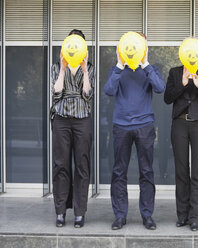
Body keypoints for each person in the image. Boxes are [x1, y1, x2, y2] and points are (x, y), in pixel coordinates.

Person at [104, 32, 165, 230]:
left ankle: (147, 215)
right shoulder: (117, 70)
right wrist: (119, 64)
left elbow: (160, 88)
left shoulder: (150, 69)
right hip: (121, 126)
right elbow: (108, 91)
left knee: (146, 172)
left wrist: (146, 64)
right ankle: (120, 215)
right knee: (119, 172)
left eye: (140, 45)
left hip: (144, 126)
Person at [164, 64, 198, 231]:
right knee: (181, 171)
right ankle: (182, 214)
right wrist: (181, 83)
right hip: (179, 123)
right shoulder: (175, 71)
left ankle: (195, 215)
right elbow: (167, 98)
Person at [51, 29, 94, 228]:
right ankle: (60, 211)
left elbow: (87, 94)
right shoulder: (57, 67)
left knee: (82, 166)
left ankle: (80, 212)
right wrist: (62, 69)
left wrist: (84, 71)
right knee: (61, 165)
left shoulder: (90, 68)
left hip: (81, 120)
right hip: (61, 119)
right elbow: (56, 93)